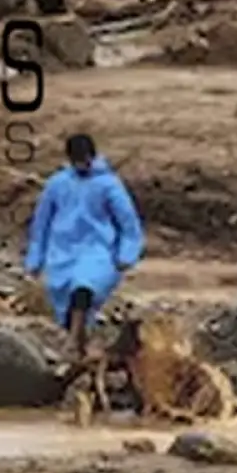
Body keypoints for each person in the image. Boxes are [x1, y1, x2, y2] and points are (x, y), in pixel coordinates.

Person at [23, 132, 145, 359]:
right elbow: (41, 225)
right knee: (67, 303)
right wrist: (35, 259)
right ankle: (80, 346)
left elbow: (129, 224)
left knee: (83, 288)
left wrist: (126, 254)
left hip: (97, 252)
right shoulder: (57, 184)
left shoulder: (108, 185)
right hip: (61, 253)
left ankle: (71, 344)